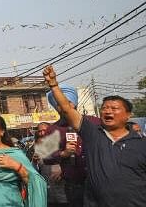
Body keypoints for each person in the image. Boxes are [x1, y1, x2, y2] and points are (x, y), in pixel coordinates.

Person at [43, 65, 146, 207]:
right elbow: (44, 156)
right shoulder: (84, 131)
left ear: (128, 115)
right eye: (104, 108)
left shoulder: (96, 124)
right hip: (77, 188)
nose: (108, 111)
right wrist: (63, 154)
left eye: (114, 108)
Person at [41, 83, 99, 207]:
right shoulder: (52, 130)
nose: (63, 105)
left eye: (67, 101)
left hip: (99, 182)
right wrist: (63, 153)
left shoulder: (94, 122)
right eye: (59, 103)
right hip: (74, 186)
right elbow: (45, 157)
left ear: (75, 102)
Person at [31, 122, 67, 207]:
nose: (42, 133)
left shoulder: (63, 146)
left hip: (64, 195)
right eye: (40, 131)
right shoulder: (36, 150)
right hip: (48, 197)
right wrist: (34, 162)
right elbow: (33, 173)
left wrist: (63, 171)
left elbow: (75, 165)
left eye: (45, 130)